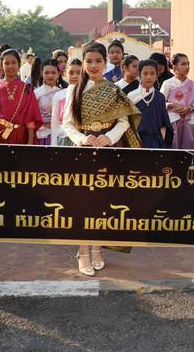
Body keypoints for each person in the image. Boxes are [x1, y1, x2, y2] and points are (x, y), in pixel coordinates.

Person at [62, 42, 141, 276]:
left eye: (98, 61)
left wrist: (108, 137)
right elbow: (67, 124)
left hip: (108, 150)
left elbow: (124, 122)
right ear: (83, 63)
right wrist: (81, 139)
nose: (93, 65)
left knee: (104, 202)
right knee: (83, 203)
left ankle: (97, 249)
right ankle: (83, 251)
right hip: (83, 151)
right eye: (89, 61)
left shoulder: (114, 90)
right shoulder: (74, 90)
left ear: (105, 63)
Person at [0, 49, 43, 145]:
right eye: (6, 63)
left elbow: (30, 118)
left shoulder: (27, 89)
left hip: (21, 135)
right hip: (1, 135)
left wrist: (30, 141)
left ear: (19, 64)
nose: (10, 66)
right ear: (1, 65)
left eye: (14, 63)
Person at [160, 53, 194, 149]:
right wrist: (172, 105)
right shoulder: (167, 84)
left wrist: (190, 108)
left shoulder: (193, 85)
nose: (187, 67)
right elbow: (160, 102)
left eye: (188, 64)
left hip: (189, 123)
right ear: (174, 67)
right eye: (183, 64)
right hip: (172, 122)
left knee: (189, 151)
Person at [127, 60, 173, 149]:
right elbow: (128, 121)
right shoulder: (131, 96)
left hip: (156, 142)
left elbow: (164, 123)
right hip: (137, 141)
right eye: (145, 73)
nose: (149, 77)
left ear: (156, 76)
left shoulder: (160, 97)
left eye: (152, 73)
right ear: (139, 75)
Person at [51, 58, 81, 146]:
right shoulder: (58, 96)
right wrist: (53, 146)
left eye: (79, 73)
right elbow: (54, 123)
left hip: (83, 139)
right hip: (63, 140)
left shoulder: (88, 94)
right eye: (71, 73)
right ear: (65, 74)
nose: (75, 76)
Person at [33, 59, 62, 145]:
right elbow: (31, 116)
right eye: (46, 72)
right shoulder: (36, 93)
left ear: (58, 73)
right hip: (41, 135)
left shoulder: (63, 93)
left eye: (53, 72)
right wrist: (44, 124)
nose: (50, 76)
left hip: (60, 135)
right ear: (41, 73)